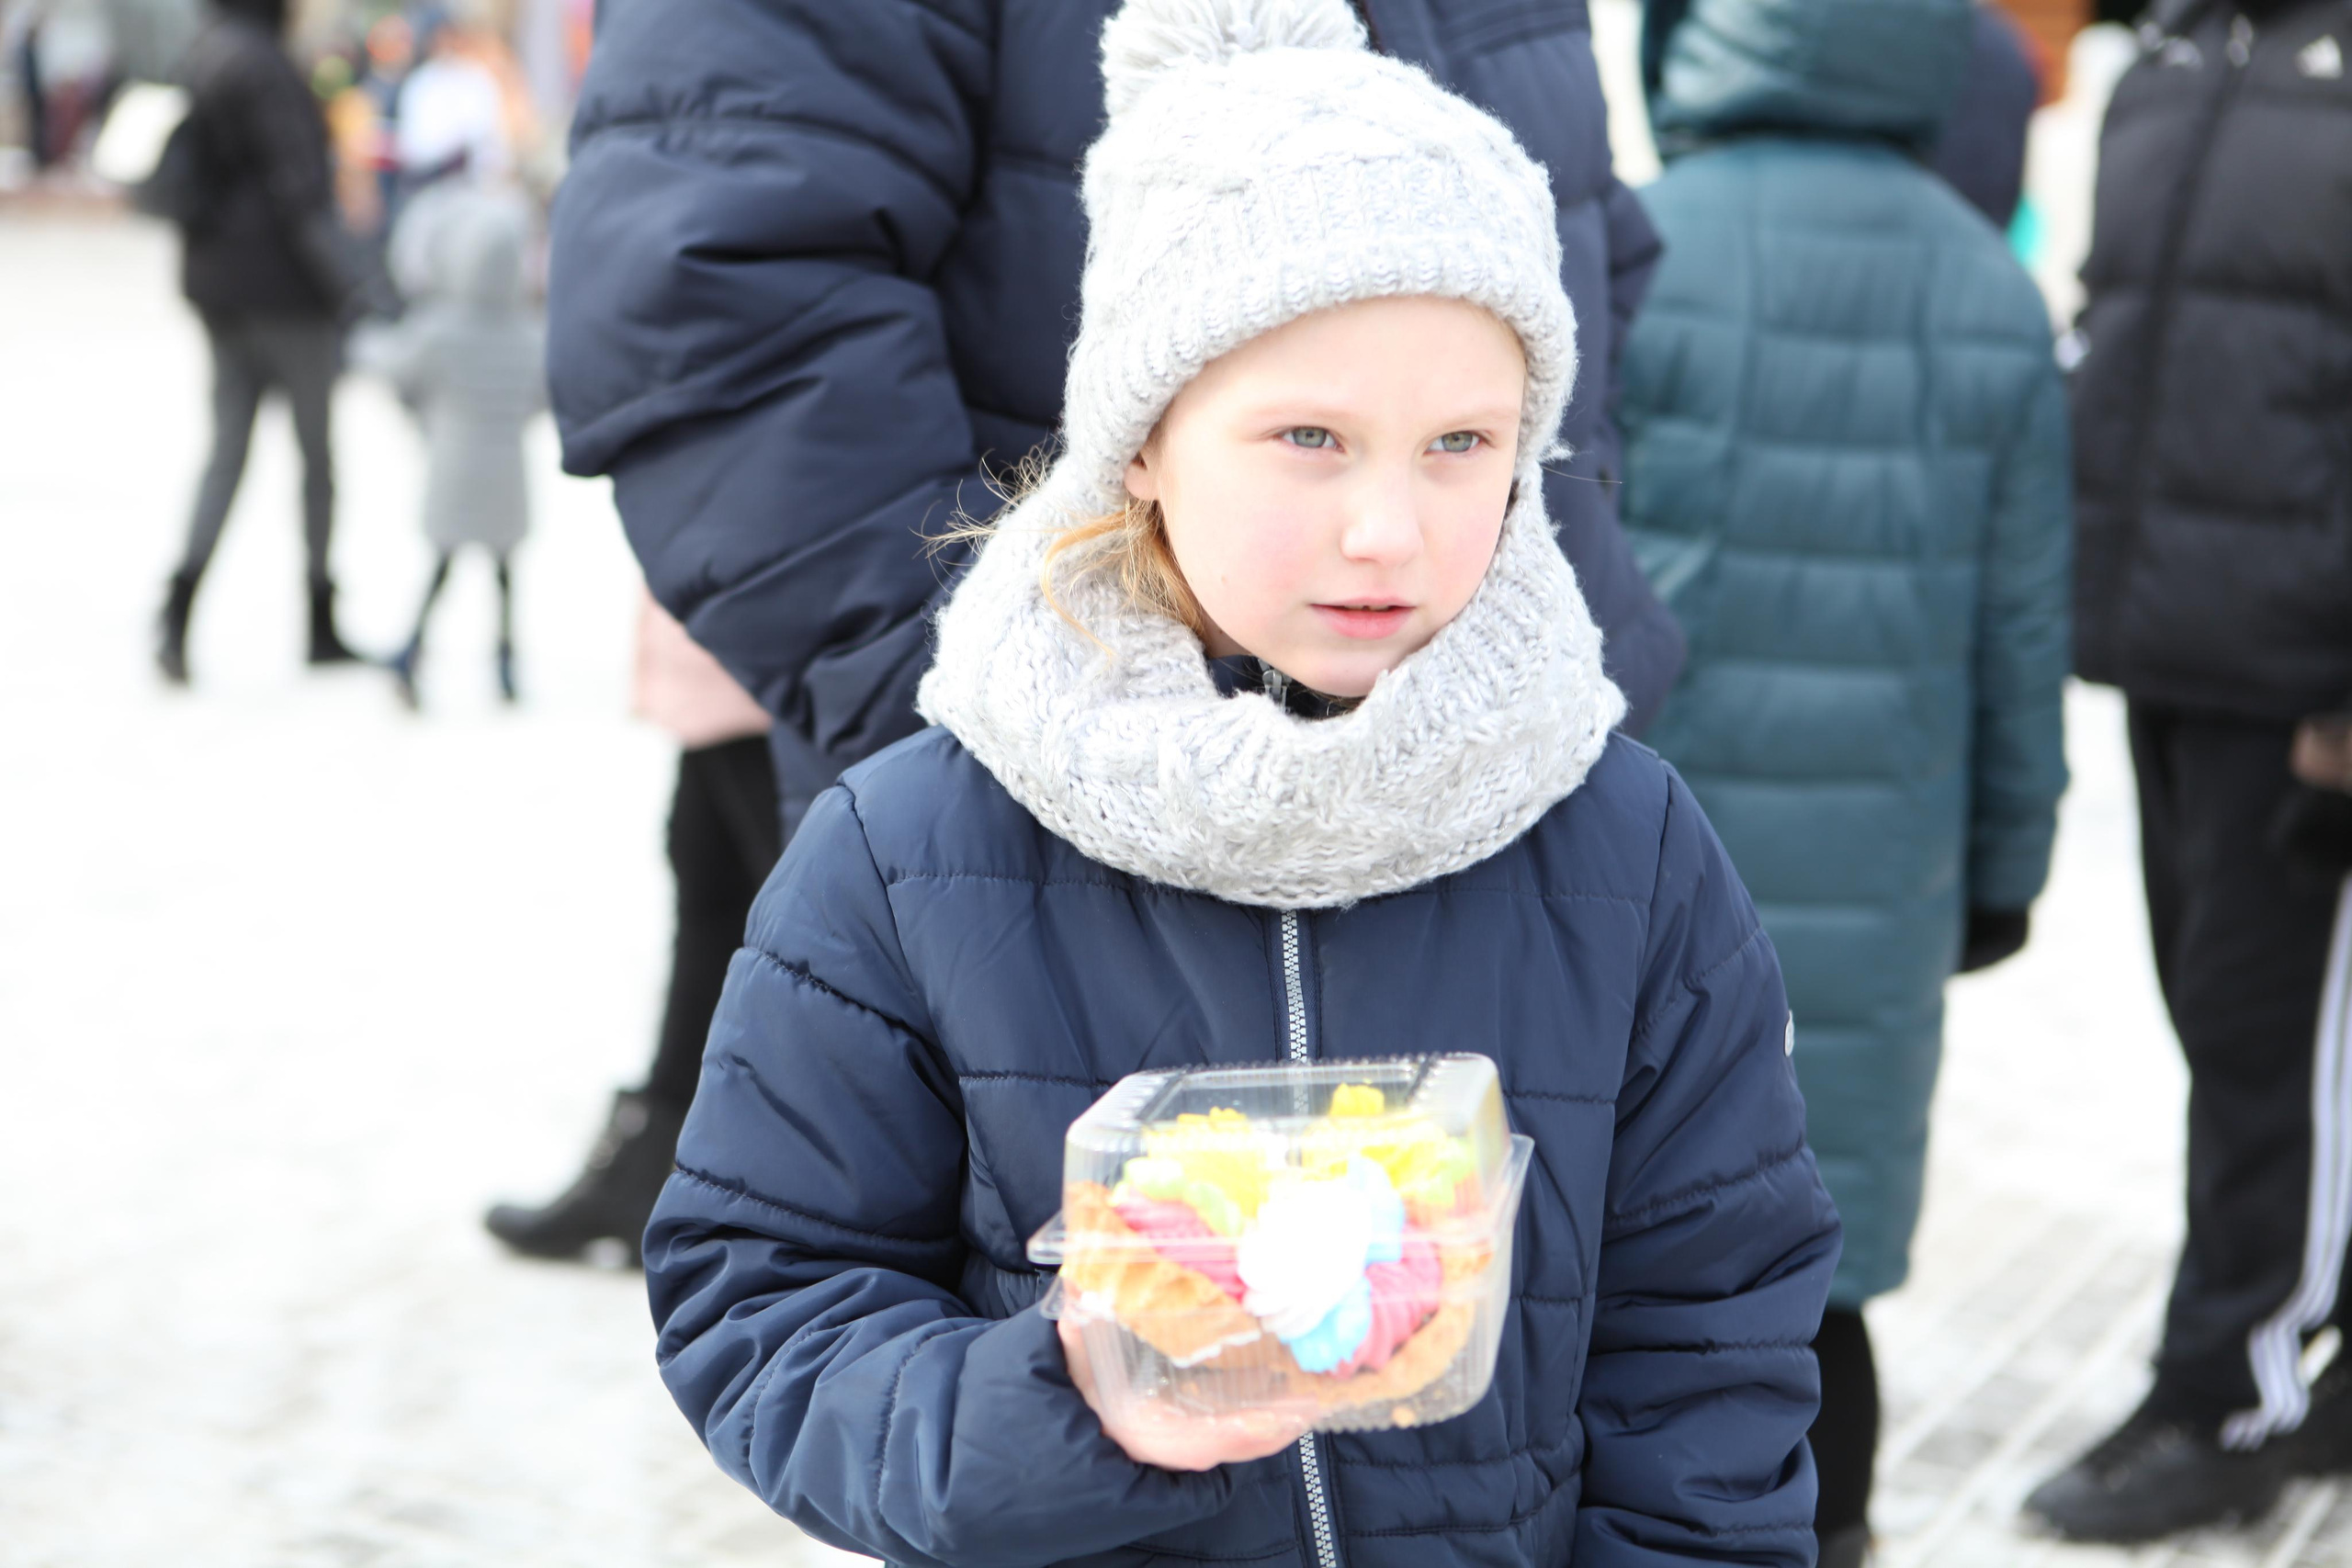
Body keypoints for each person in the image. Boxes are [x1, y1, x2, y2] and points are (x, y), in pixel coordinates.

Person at [639, 6, 1842, 1565]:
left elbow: (1716, 1328)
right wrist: (1061, 1407)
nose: (1388, 530)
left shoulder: (1624, 844)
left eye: (1462, 442)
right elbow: (762, 1296)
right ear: (1142, 440)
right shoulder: (910, 852)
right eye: (1309, 437)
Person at [546, 0, 1686, 851]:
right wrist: (1039, 738)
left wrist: (1546, 657)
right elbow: (724, 309)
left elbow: (1581, 241)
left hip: (1517, 802)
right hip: (1049, 855)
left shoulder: (1632, 867)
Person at [1617, 1, 2073, 1562]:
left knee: (1618, 1243)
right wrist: (2006, 868)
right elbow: (2022, 624)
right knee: (1821, 1257)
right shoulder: (1985, 288)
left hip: (1636, 877)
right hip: (1879, 878)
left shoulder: (1635, 253)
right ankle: (1842, 1529)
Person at [2022, 0, 2352, 1543]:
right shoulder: (2165, 59)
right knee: (2223, 1029)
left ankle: (2235, 1393)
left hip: (2308, 686)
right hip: (2169, 648)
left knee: (2286, 1062)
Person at [486, 594, 777, 1262]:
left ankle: (763, 1186)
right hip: (729, 649)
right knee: (711, 890)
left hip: (773, 638)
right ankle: (655, 1160)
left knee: (798, 927)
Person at [158, 0, 368, 685]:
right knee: (316, 460)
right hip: (284, 293)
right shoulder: (264, 64)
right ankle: (319, 620)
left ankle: (176, 616)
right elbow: (299, 190)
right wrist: (354, 288)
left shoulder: (209, 50)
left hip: (219, 286)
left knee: (226, 454)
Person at [354, 185, 545, 708]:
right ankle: (506, 661)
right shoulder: (527, 335)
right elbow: (543, 395)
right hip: (509, 476)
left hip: (454, 471)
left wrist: (363, 341)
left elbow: (393, 365)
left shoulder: (440, 332)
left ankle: (412, 650)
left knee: (442, 566)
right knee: (505, 574)